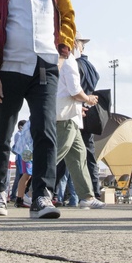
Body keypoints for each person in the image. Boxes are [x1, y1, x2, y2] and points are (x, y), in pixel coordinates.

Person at [0, 0, 77, 220]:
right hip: (9, 66)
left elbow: (67, 15)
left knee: (45, 131)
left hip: (45, 66)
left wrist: (62, 51)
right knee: (1, 132)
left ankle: (41, 196)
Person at [54, 37, 105, 209]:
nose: (82, 48)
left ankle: (87, 196)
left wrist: (79, 105)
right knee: (57, 154)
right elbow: (75, 90)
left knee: (79, 155)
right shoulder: (69, 61)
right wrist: (88, 99)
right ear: (74, 44)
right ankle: (32, 191)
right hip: (65, 116)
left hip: (69, 114)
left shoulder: (59, 60)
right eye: (81, 44)